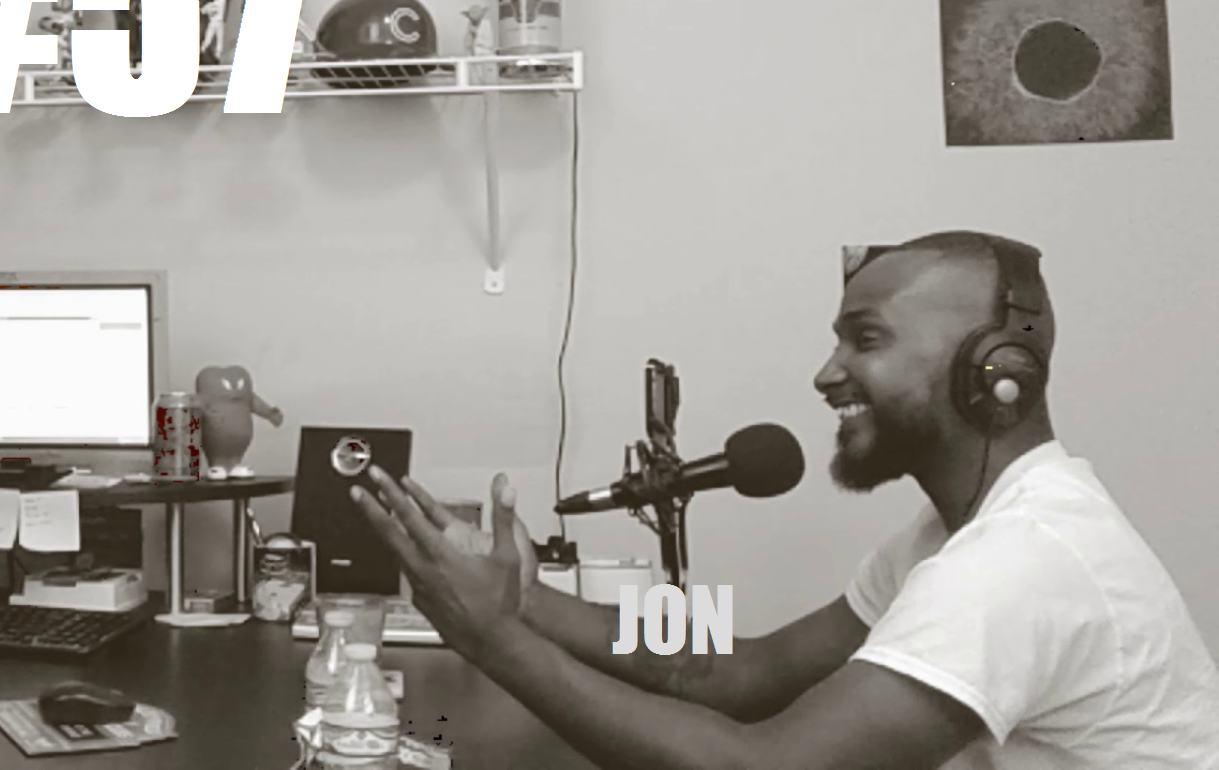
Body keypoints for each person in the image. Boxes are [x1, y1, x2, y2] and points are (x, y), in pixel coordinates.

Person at [354, 230, 1219, 769]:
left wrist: (493, 639)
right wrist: (529, 599)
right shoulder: (950, 534)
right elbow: (745, 668)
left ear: (995, 372)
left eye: (865, 341)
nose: (825, 374)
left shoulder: (1021, 562)